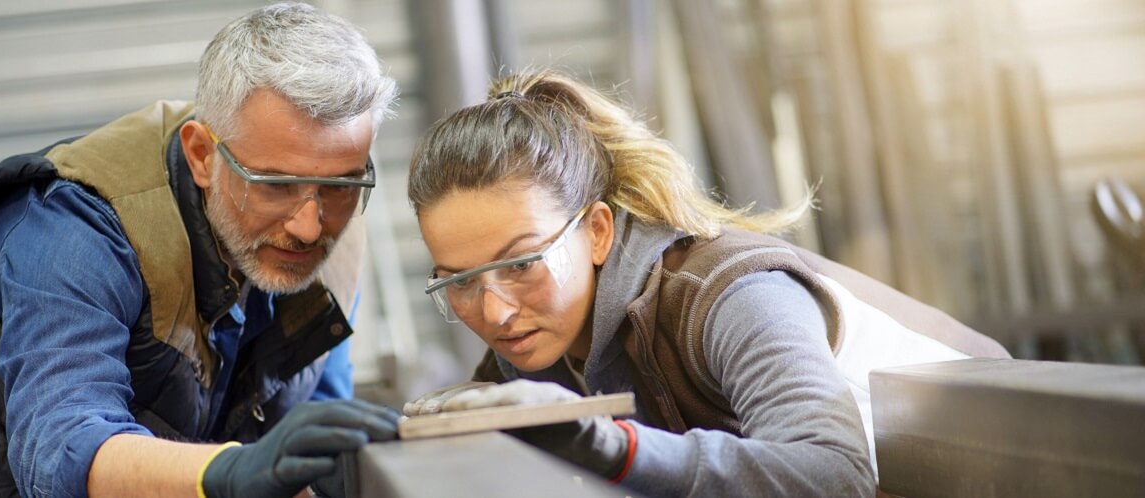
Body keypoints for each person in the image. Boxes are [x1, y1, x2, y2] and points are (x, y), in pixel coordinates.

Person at [0, 3, 400, 497]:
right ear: (200, 155)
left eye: (340, 185)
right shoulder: (75, 230)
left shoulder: (337, 234)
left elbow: (321, 424)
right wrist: (232, 472)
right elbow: (58, 452)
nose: (310, 228)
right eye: (275, 184)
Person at [403, 70, 1011, 497]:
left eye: (519, 263)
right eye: (457, 282)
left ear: (595, 231)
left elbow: (833, 474)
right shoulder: (538, 340)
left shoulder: (731, 297)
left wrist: (616, 446)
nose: (495, 311)